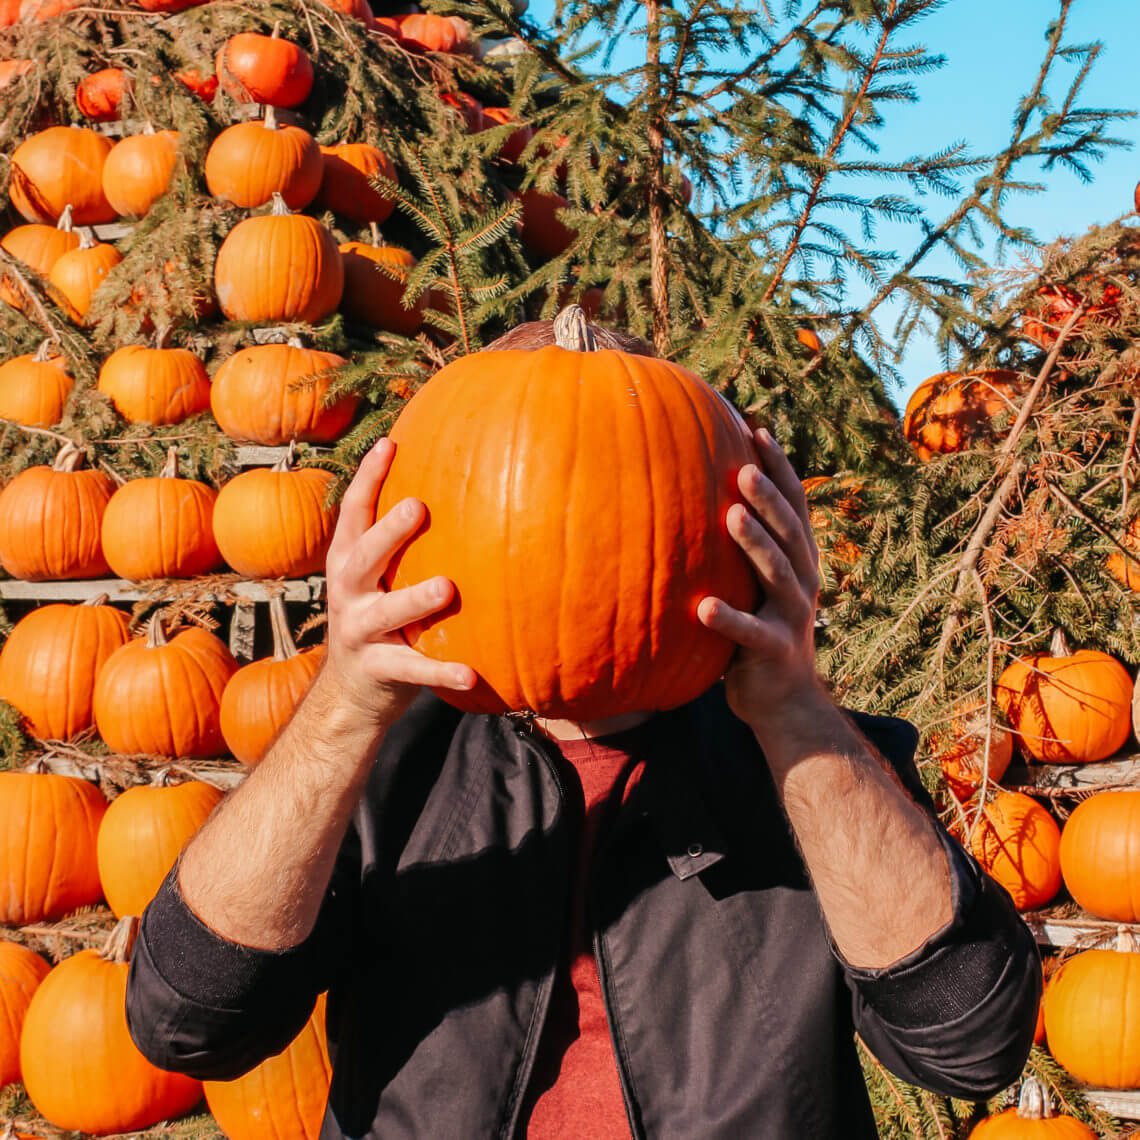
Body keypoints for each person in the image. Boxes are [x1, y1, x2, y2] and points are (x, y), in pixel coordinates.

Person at [126, 320, 1040, 1139]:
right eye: (509, 492)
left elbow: (969, 1046)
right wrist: (341, 709)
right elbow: (188, 1021)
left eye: (626, 496)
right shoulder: (383, 763)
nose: (565, 540)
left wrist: (796, 712)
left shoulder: (817, 768)